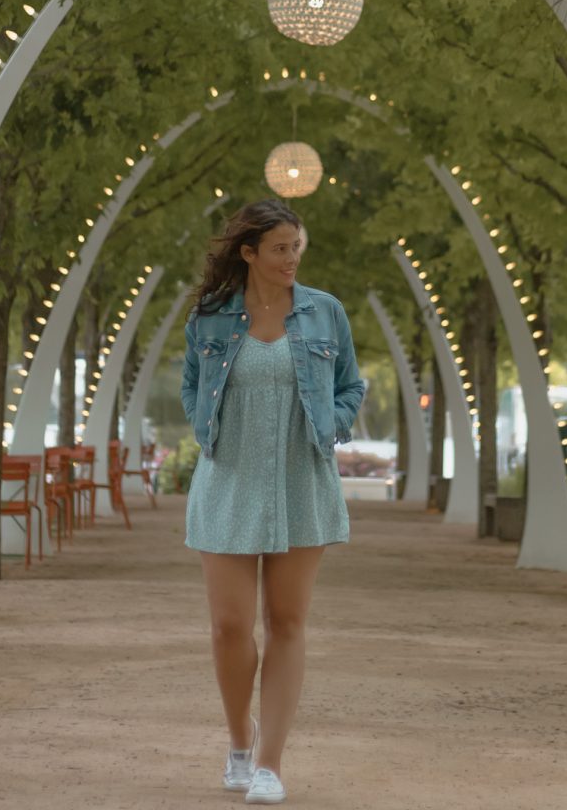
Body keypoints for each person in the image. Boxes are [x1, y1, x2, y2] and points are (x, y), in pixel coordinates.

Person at [181, 198, 365, 805]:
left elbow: (350, 386)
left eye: (297, 248)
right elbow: (190, 384)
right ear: (249, 252)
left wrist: (330, 425)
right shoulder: (209, 317)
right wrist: (202, 425)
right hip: (227, 476)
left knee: (287, 622)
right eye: (281, 248)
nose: (292, 259)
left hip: (300, 476)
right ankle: (240, 741)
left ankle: (269, 764)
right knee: (228, 627)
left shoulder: (325, 312)